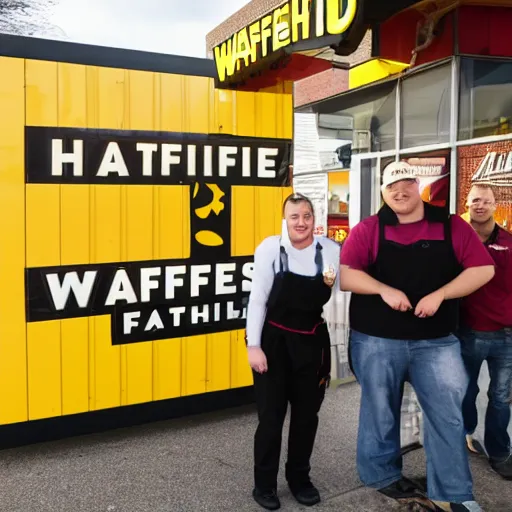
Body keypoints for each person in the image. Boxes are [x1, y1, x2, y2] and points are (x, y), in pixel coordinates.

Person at [340, 161, 495, 512]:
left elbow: (483, 268)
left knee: (447, 415)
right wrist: (382, 289)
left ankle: (453, 492)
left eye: (406, 183)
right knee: (379, 411)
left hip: (436, 341)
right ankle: (380, 475)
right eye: (392, 187)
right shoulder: (370, 228)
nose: (400, 191)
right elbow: (347, 276)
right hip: (376, 340)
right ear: (383, 192)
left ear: (417, 185)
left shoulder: (451, 225)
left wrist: (442, 294)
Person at [245, 192, 340, 511]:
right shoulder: (270, 248)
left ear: (315, 219)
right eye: (294, 216)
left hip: (312, 342)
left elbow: (351, 287)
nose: (301, 222)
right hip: (273, 343)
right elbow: (257, 299)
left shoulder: (330, 250)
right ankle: (264, 485)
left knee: (306, 418)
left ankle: (299, 479)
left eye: (307, 216)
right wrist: (253, 346)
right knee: (271, 419)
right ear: (285, 220)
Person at [458, 183, 512, 479]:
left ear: (495, 204)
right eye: (475, 200)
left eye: (486, 201)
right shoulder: (457, 239)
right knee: (465, 392)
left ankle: (500, 452)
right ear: (467, 203)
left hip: (506, 334)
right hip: (468, 332)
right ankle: (465, 432)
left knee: (501, 397)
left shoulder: (509, 241)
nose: (480, 205)